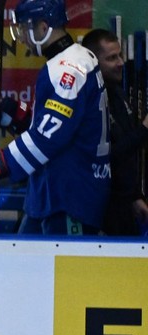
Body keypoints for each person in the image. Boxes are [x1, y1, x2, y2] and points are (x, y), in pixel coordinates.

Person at [0, 0, 111, 236]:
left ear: (43, 28)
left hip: (68, 197)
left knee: (63, 271)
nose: (20, 37)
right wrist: (14, 114)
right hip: (54, 192)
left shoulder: (68, 69)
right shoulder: (77, 58)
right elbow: (60, 124)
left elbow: (48, 138)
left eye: (24, 28)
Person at [81, 29, 148, 236]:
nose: (120, 62)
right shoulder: (89, 101)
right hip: (100, 207)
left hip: (123, 204)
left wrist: (134, 195)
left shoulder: (117, 92)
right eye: (111, 58)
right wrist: (145, 130)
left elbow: (125, 157)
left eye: (119, 55)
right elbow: (107, 156)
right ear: (93, 61)